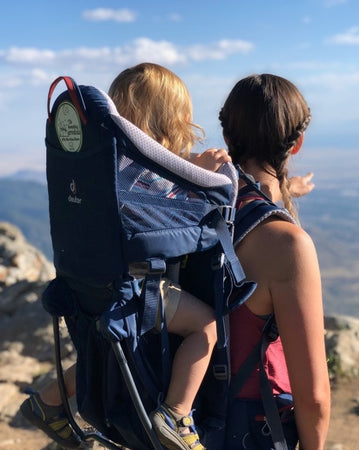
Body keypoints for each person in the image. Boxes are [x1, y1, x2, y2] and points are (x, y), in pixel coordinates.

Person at [20, 63, 228, 450]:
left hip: (84, 286)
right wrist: (199, 174)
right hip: (132, 290)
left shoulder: (101, 160)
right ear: (168, 119)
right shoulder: (141, 172)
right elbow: (176, 215)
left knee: (106, 351)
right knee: (207, 326)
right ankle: (176, 415)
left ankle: (49, 399)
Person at [219, 74, 331, 450]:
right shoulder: (288, 246)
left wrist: (284, 189)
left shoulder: (192, 207)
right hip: (250, 430)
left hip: (189, 422)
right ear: (297, 143)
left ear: (228, 139)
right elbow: (313, 396)